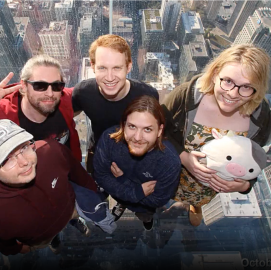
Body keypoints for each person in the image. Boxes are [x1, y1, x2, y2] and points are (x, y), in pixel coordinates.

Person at [0, 55, 110, 235]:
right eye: (40, 85)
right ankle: (54, 234)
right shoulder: (1, 117)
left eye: (56, 85)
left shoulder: (64, 100)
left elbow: (98, 91)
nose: (50, 93)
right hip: (28, 180)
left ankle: (73, 219)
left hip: (65, 169)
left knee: (69, 200)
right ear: (24, 86)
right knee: (47, 214)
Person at [161, 44, 271, 226]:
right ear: (214, 74)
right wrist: (185, 158)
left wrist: (244, 185)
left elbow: (257, 159)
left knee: (198, 199)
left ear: (257, 90)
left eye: (246, 87)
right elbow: (157, 129)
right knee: (159, 194)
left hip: (207, 188)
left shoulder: (260, 117)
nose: (232, 94)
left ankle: (196, 206)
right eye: (227, 81)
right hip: (169, 172)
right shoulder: (187, 97)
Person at [0, 119, 98, 256]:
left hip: (69, 210)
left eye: (24, 147)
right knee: (50, 238)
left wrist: (92, 193)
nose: (25, 162)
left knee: (73, 216)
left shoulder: (52, 151)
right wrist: (17, 249)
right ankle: (54, 240)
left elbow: (78, 174)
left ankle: (75, 221)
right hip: (42, 237)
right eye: (6, 159)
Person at [72, 34, 159, 173]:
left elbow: (156, 133)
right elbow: (65, 115)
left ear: (129, 67)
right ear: (92, 66)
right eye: (102, 68)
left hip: (134, 157)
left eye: (117, 68)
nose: (110, 77)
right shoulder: (83, 92)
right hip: (98, 152)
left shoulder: (147, 96)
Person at [93, 96, 181, 231]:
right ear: (123, 125)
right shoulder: (110, 139)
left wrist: (121, 181)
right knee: (123, 199)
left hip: (143, 207)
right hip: (123, 195)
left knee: (145, 216)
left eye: (147, 129)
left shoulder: (169, 162)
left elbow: (158, 200)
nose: (138, 138)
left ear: (160, 131)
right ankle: (122, 204)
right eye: (132, 126)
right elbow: (100, 176)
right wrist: (137, 191)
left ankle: (146, 219)